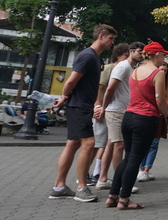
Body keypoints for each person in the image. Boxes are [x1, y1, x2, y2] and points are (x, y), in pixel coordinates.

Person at [49, 24, 117, 203]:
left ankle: (59, 187)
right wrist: (64, 96)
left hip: (80, 106)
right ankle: (82, 187)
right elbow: (71, 80)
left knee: (72, 144)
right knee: (89, 143)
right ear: (101, 36)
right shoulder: (87, 56)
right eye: (111, 38)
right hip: (79, 106)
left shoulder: (95, 57)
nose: (112, 43)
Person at [105, 41, 168, 210]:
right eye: (163, 55)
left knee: (127, 158)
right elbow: (159, 99)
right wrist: (165, 114)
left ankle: (113, 196)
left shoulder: (134, 72)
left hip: (128, 117)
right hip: (145, 119)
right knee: (135, 160)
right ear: (156, 55)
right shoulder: (158, 73)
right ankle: (124, 199)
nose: (164, 59)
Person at [98, 42, 145, 191]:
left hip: (122, 110)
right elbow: (110, 87)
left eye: (143, 53)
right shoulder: (123, 66)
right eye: (139, 52)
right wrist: (103, 107)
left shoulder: (132, 68)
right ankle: (121, 183)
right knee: (120, 146)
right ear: (131, 52)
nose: (142, 55)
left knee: (111, 144)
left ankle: (102, 179)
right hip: (116, 111)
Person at [92, 43, 130, 188]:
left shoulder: (127, 69)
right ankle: (100, 176)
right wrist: (98, 106)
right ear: (117, 56)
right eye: (126, 55)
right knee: (102, 143)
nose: (127, 58)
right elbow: (100, 88)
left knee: (109, 143)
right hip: (107, 110)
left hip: (117, 109)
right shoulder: (109, 68)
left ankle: (102, 177)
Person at [137, 61, 168, 182]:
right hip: (149, 114)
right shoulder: (151, 78)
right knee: (144, 143)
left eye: (165, 71)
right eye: (161, 69)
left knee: (153, 144)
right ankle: (141, 169)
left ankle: (146, 170)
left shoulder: (166, 84)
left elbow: (165, 98)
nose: (162, 72)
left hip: (159, 116)